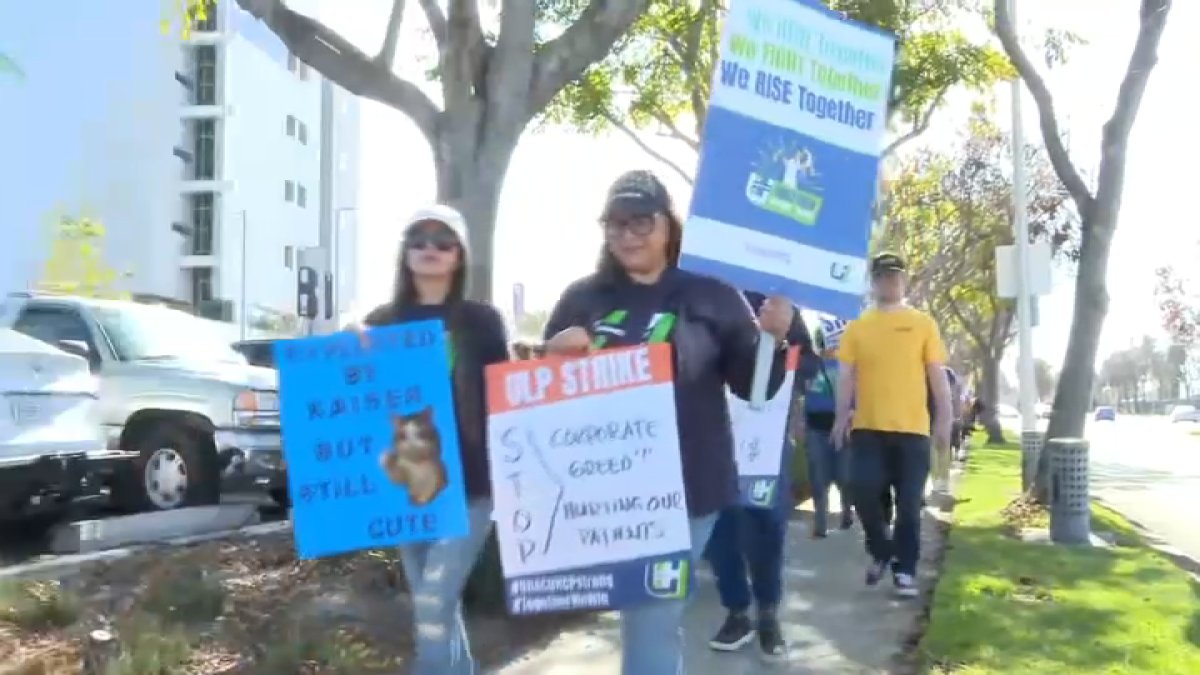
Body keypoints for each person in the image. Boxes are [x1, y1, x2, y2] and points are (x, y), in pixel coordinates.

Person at [542, 170, 795, 675]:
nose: (628, 233)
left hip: (690, 489)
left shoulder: (714, 296)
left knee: (651, 617)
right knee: (644, 618)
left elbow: (756, 388)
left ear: (668, 226)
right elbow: (542, 400)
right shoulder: (581, 299)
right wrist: (552, 355)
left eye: (641, 220)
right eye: (615, 223)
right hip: (604, 492)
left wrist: (772, 339)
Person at [357, 204, 510, 675]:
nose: (429, 249)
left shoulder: (482, 322)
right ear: (404, 253)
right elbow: (356, 398)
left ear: (459, 255)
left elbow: (505, 396)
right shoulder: (378, 323)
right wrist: (346, 347)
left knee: (431, 605)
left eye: (442, 241)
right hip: (407, 483)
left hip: (472, 486)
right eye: (418, 239)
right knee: (436, 608)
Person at [832, 252, 952, 599]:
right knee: (863, 492)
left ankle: (905, 570)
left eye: (895, 276)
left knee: (910, 504)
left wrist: (945, 418)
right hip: (869, 429)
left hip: (913, 431)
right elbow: (845, 376)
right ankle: (882, 550)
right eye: (884, 276)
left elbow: (937, 375)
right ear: (874, 282)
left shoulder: (923, 323)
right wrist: (842, 415)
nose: (890, 282)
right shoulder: (858, 326)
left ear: (904, 281)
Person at [705, 292, 813, 660]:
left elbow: (808, 365)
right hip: (711, 431)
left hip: (765, 439)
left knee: (767, 520)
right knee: (719, 523)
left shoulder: (780, 300)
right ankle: (737, 611)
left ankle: (768, 611)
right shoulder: (702, 292)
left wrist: (779, 343)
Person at [803, 317, 854, 538]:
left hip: (843, 427)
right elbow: (803, 396)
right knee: (818, 477)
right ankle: (820, 523)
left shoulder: (850, 368)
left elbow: (857, 399)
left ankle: (846, 511)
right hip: (817, 428)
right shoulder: (810, 367)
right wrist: (800, 421)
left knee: (844, 475)